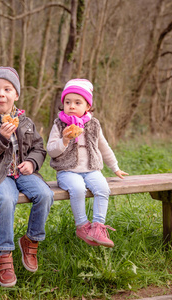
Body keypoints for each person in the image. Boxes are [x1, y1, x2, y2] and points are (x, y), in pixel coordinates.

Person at [0, 66, 54, 288]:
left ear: (16, 95)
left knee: (44, 194)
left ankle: (31, 240)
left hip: (21, 172)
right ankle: (4, 254)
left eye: (7, 89)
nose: (1, 94)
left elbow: (39, 148)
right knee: (6, 199)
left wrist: (32, 163)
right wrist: (1, 137)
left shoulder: (25, 121)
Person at [47, 78, 128, 248]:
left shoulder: (93, 125)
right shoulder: (59, 124)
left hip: (91, 169)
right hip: (67, 171)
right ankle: (82, 226)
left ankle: (98, 227)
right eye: (67, 102)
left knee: (103, 188)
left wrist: (115, 167)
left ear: (87, 106)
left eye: (78, 102)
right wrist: (65, 139)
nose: (72, 106)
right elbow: (51, 150)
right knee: (77, 189)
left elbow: (104, 147)